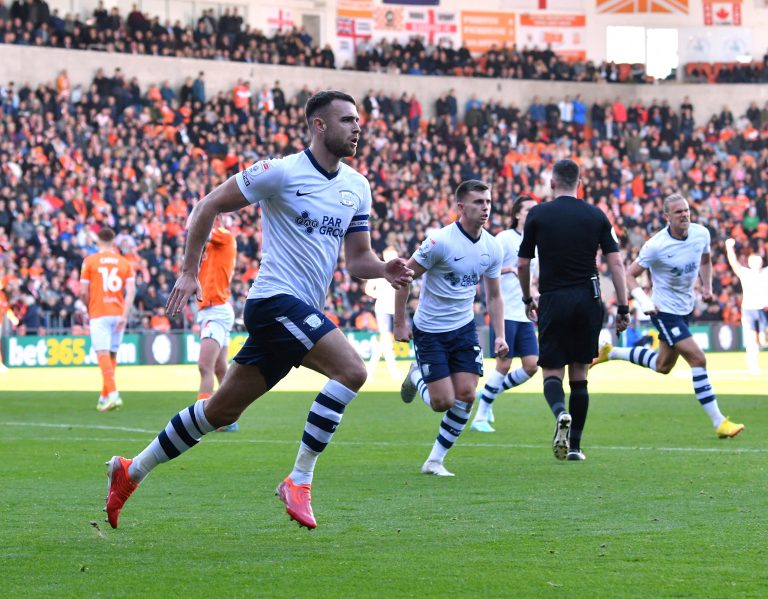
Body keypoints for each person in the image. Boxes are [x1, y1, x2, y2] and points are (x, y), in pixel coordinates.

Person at [103, 90, 413, 530]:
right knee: (352, 371)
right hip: (273, 301)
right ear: (319, 125)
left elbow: (358, 259)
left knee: (220, 412)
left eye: (358, 120)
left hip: (299, 312)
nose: (357, 127)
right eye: (347, 120)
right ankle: (299, 480)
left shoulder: (357, 187)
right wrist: (189, 271)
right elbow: (208, 205)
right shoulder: (279, 171)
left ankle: (130, 471)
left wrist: (383, 267)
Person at [592, 193, 745, 439]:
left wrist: (707, 287)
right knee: (698, 359)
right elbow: (629, 275)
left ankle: (612, 352)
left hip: (685, 308)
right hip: (663, 310)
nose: (684, 215)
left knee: (663, 365)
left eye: (686, 210)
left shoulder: (701, 234)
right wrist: (644, 301)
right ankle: (719, 422)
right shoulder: (656, 245)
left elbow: (705, 260)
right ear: (667, 217)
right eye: (678, 212)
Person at [518, 159, 629, 462]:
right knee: (580, 374)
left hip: (553, 298)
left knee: (552, 372)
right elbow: (616, 263)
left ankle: (560, 412)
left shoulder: (538, 214)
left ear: (552, 183)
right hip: (588, 298)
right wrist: (623, 306)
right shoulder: (597, 215)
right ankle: (576, 447)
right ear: (580, 184)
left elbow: (523, 264)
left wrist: (528, 299)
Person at [395, 180, 508, 477]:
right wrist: (400, 322)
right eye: (478, 202)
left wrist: (500, 336)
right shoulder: (440, 242)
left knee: (467, 394)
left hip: (463, 328)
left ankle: (434, 461)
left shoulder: (492, 247)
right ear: (461, 207)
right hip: (430, 330)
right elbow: (404, 277)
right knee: (442, 402)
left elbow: (494, 296)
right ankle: (415, 374)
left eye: (488, 202)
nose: (485, 207)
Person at [471, 195, 539, 433]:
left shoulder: (536, 242)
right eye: (529, 210)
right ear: (517, 214)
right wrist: (510, 269)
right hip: (505, 312)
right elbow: (486, 267)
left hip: (524, 312)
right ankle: (480, 417)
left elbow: (532, 279)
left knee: (532, 365)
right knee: (504, 364)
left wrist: (535, 294)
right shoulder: (505, 238)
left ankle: (489, 393)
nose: (533, 213)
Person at [79, 227, 136, 412]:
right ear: (113, 242)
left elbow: (82, 292)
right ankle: (103, 398)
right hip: (118, 313)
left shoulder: (90, 261)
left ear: (98, 241)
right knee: (111, 356)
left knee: (102, 354)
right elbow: (131, 292)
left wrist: (89, 307)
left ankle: (113, 395)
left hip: (99, 312)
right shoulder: (125, 263)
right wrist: (124, 315)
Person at [196, 216, 238, 431]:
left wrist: (198, 216)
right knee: (221, 368)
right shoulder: (212, 247)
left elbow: (197, 228)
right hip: (213, 309)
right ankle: (230, 420)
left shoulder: (223, 236)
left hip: (217, 310)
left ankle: (200, 419)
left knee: (205, 366)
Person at [724, 238, 767, 374]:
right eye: (755, 261)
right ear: (750, 263)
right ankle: (753, 364)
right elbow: (733, 262)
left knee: (763, 340)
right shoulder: (745, 273)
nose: (757, 264)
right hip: (749, 309)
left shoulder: (766, 273)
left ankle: (751, 355)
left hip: (762, 310)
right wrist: (729, 248)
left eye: (759, 261)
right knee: (752, 338)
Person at [364, 246, 401, 381]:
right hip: (383, 309)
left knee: (385, 342)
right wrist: (377, 294)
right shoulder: (379, 271)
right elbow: (368, 289)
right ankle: (393, 371)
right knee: (386, 341)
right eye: (392, 255)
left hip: (394, 310)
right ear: (386, 257)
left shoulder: (399, 271)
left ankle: (369, 371)